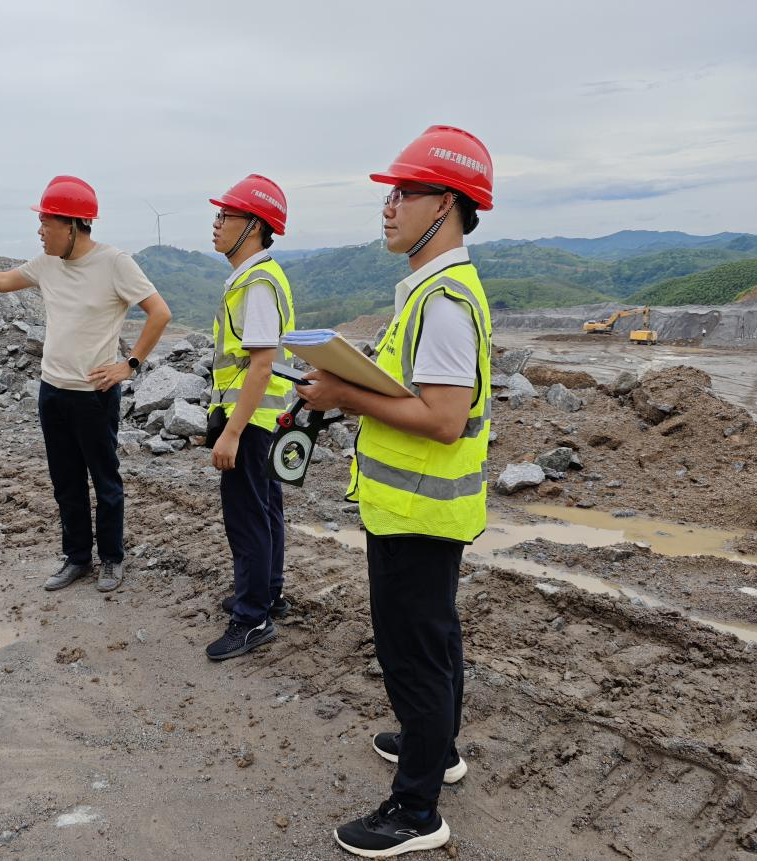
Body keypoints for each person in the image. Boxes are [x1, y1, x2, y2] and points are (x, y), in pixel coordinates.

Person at [299, 127, 494, 856]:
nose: (389, 206)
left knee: (413, 652)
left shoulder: (443, 301)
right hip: (422, 508)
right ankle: (435, 747)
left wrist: (343, 395)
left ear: (445, 203)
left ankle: (416, 810)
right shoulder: (433, 291)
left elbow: (444, 418)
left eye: (404, 192)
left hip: (419, 510)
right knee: (435, 635)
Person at [0, 176, 171, 593]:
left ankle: (112, 559)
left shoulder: (114, 263)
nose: (40, 232)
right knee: (65, 481)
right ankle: (77, 558)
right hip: (52, 391)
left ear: (73, 224)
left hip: (94, 394)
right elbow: (0, 281)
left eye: (46, 223)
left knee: (105, 480)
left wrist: (129, 365)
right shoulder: (47, 264)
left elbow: (159, 313)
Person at [203, 174, 296, 661]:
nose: (216, 225)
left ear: (255, 226)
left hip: (252, 421)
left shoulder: (257, 284)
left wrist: (232, 432)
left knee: (247, 520)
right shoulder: (253, 277)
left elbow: (261, 362)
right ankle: (267, 593)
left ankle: (251, 617)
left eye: (226, 216)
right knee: (265, 511)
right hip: (261, 419)